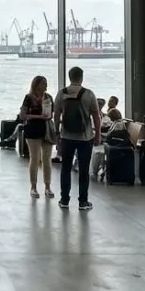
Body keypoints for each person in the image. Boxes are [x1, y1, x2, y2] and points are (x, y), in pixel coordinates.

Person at [53, 66, 101, 211]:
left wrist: (57, 133)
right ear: (81, 77)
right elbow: (96, 116)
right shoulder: (89, 94)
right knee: (84, 169)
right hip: (85, 138)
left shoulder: (61, 94)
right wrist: (97, 134)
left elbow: (56, 116)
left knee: (65, 168)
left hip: (66, 137)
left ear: (69, 77)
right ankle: (83, 202)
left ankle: (64, 200)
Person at [20, 76, 55, 199]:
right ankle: (33, 187)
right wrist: (39, 117)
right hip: (33, 130)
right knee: (34, 158)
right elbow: (23, 115)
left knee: (47, 159)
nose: (46, 86)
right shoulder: (29, 98)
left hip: (47, 129)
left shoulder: (49, 97)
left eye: (46, 83)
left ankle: (47, 186)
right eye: (43, 83)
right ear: (36, 85)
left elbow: (53, 113)